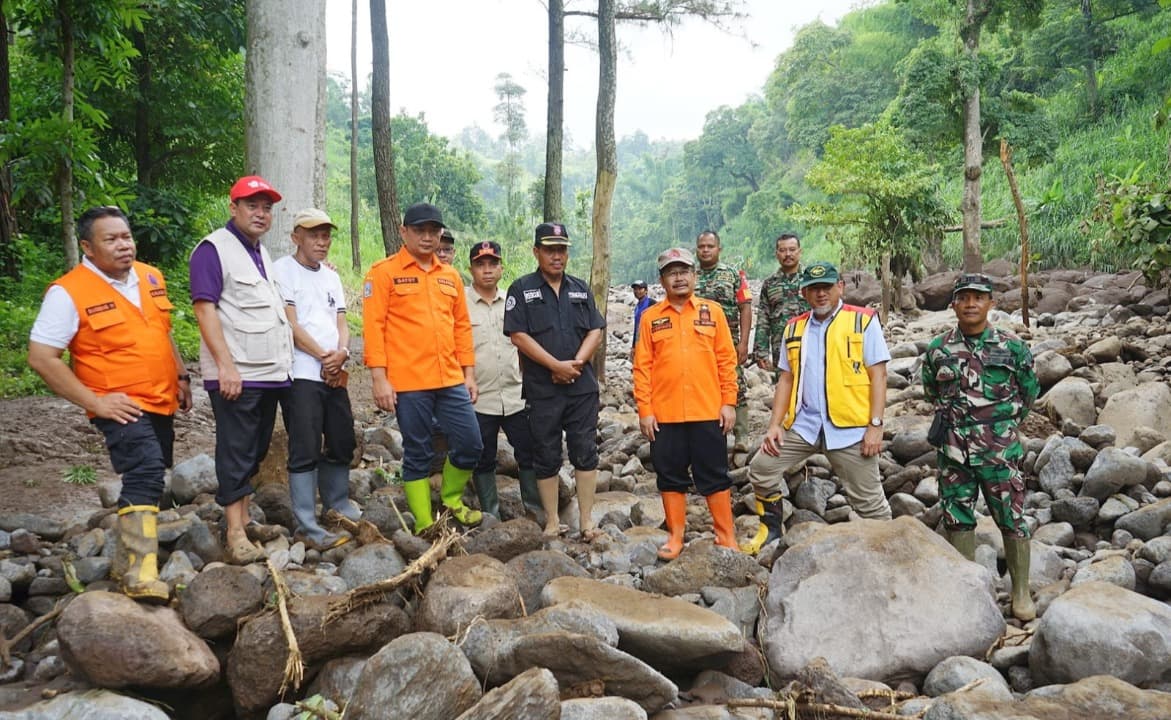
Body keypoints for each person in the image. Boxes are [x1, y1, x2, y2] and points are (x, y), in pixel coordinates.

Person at [28, 206, 192, 601]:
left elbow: (162, 332)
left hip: (161, 397)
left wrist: (181, 375)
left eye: (126, 236)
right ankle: (138, 574)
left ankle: (123, 561)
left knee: (154, 471)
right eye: (111, 239)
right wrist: (96, 403)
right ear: (87, 246)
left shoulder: (151, 276)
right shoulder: (68, 292)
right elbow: (41, 357)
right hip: (119, 405)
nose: (124, 245)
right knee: (146, 470)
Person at [743, 261, 892, 555]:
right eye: (814, 289)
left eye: (826, 287)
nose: (821, 294)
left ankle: (886, 554)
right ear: (805, 293)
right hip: (805, 425)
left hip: (850, 428)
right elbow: (785, 379)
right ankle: (771, 530)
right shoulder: (794, 327)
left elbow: (880, 375)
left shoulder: (863, 321)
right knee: (761, 468)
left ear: (840, 288)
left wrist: (875, 425)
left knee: (872, 506)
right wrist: (774, 425)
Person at [922, 273, 1040, 621]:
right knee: (957, 517)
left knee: (1011, 517)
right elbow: (932, 392)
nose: (971, 304)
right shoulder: (938, 349)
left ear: (991, 303)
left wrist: (1001, 424)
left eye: (978, 297)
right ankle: (967, 590)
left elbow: (1029, 391)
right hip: (954, 450)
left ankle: (1020, 592)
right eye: (964, 298)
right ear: (953, 303)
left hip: (999, 450)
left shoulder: (1012, 347)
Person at [190, 176, 293, 564]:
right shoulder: (212, 249)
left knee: (255, 449)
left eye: (267, 207)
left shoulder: (261, 253)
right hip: (238, 373)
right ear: (234, 208)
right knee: (235, 450)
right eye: (252, 205)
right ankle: (233, 531)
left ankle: (246, 519)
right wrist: (225, 365)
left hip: (267, 372)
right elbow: (205, 308)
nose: (261, 213)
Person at [363, 203, 482, 533]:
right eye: (420, 230)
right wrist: (379, 379)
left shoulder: (450, 276)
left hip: (450, 379)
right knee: (418, 451)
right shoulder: (383, 272)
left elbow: (461, 327)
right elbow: (374, 327)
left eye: (434, 231)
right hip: (409, 381)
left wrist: (469, 374)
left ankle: (451, 498)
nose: (428, 237)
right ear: (404, 232)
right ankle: (424, 523)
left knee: (471, 442)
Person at [634, 248, 739, 559]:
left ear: (694, 275)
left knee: (715, 473)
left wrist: (729, 402)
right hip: (665, 415)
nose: (678, 277)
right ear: (662, 280)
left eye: (684, 271)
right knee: (669, 474)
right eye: (671, 272)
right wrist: (645, 410)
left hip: (708, 410)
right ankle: (675, 537)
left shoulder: (713, 312)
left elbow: (726, 359)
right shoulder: (651, 318)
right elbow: (642, 366)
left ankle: (726, 535)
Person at [504, 222, 605, 539]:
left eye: (561, 250)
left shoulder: (579, 288)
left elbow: (595, 329)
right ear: (537, 252)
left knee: (585, 451)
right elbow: (518, 335)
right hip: (543, 389)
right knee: (545, 455)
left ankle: (586, 521)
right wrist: (554, 366)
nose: (556, 256)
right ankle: (551, 520)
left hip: (581, 387)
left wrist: (575, 363)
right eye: (549, 249)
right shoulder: (521, 290)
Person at [272, 208, 361, 552]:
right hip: (302, 372)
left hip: (333, 371)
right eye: (314, 235)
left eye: (326, 235)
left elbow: (342, 322)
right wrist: (324, 356)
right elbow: (290, 323)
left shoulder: (331, 277)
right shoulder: (283, 271)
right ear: (296, 237)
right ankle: (306, 523)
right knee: (305, 444)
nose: (321, 242)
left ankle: (337, 504)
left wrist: (341, 352)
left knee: (341, 436)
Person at [465, 240, 543, 520]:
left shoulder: (514, 301)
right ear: (471, 268)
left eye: (492, 264)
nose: (487, 270)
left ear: (501, 267)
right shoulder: (459, 303)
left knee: (528, 452)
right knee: (483, 457)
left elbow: (526, 344)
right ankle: (491, 513)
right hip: (478, 398)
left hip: (515, 395)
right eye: (480, 264)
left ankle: (534, 510)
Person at [694, 230, 753, 450]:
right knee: (703, 387)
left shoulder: (733, 275)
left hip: (728, 341)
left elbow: (745, 307)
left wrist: (744, 342)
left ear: (719, 249)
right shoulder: (690, 275)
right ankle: (707, 436)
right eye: (702, 247)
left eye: (710, 246)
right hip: (698, 345)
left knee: (736, 384)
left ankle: (741, 436)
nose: (706, 250)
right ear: (696, 250)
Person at [753, 233, 808, 373]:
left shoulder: (811, 280)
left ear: (800, 252)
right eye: (783, 250)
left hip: (809, 344)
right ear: (777, 254)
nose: (787, 254)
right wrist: (761, 351)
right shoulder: (770, 284)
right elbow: (763, 319)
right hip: (781, 347)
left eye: (792, 249)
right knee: (783, 387)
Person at [631, 280, 653, 349]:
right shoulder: (637, 307)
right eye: (635, 289)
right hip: (640, 339)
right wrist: (634, 346)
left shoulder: (652, 303)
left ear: (646, 291)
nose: (637, 291)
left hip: (650, 339)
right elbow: (636, 327)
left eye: (640, 289)